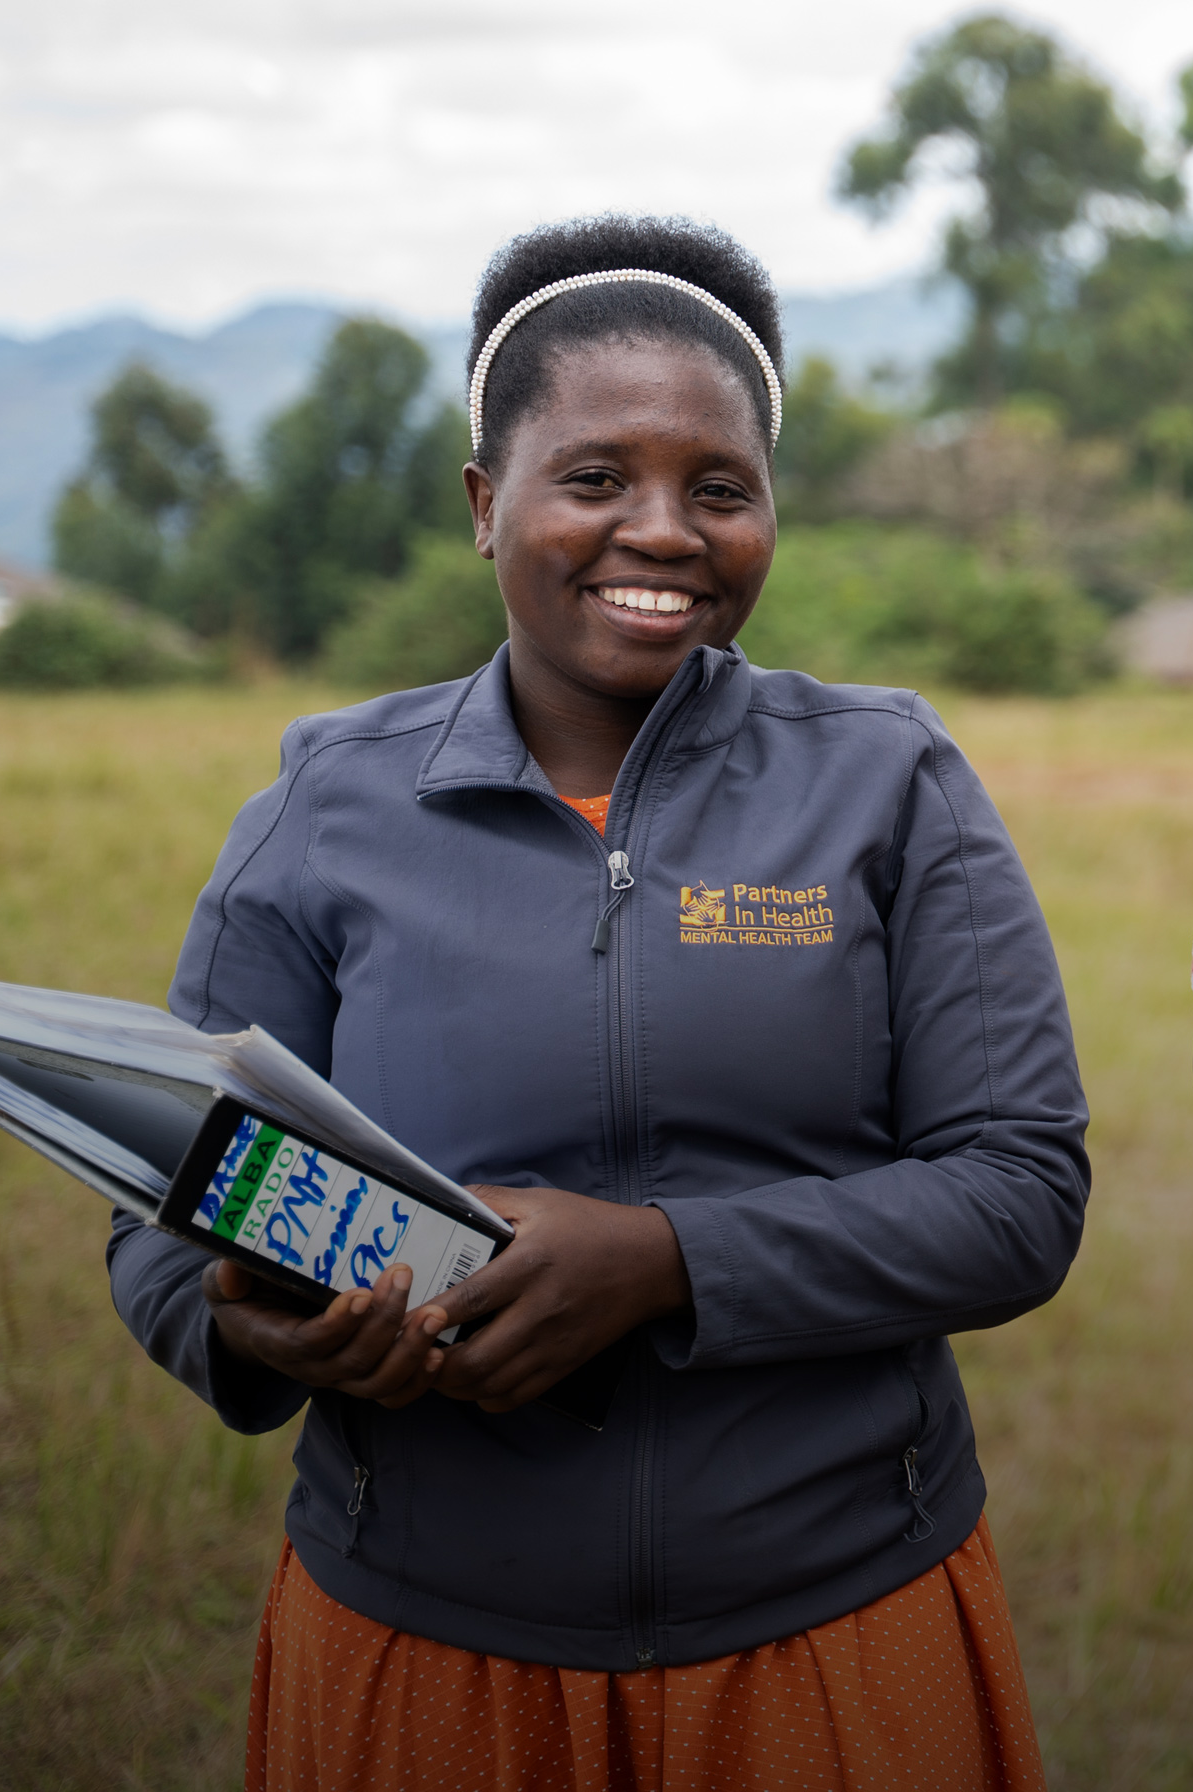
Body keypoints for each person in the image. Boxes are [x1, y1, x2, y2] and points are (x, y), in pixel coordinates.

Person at [106, 215, 1089, 1792]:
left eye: (721, 488)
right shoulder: (327, 805)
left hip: (833, 1625)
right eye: (594, 477)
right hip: (427, 1645)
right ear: (485, 504)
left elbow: (1017, 1195)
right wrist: (260, 1326)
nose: (664, 531)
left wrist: (666, 1264)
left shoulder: (889, 780)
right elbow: (163, 1216)